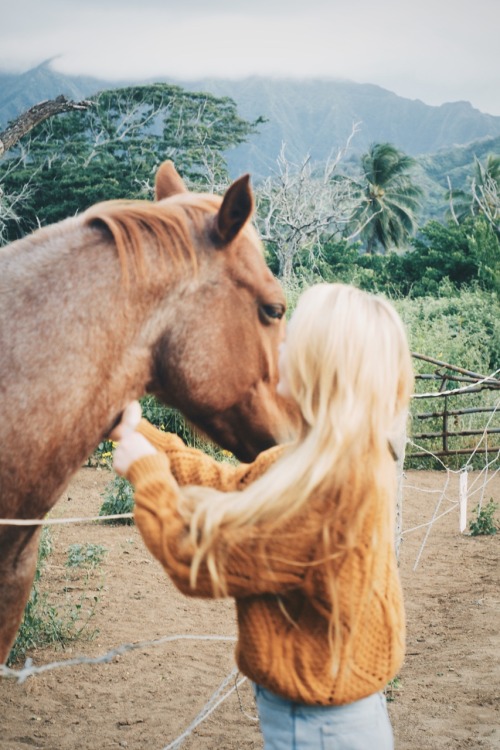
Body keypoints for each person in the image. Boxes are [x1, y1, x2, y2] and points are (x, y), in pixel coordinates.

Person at [112, 282, 414, 749]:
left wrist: (146, 474)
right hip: (330, 713)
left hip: (318, 729)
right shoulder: (327, 461)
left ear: (322, 368)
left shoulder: (329, 495)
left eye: (292, 340)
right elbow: (230, 485)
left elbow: (192, 556)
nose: (278, 348)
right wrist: (144, 436)